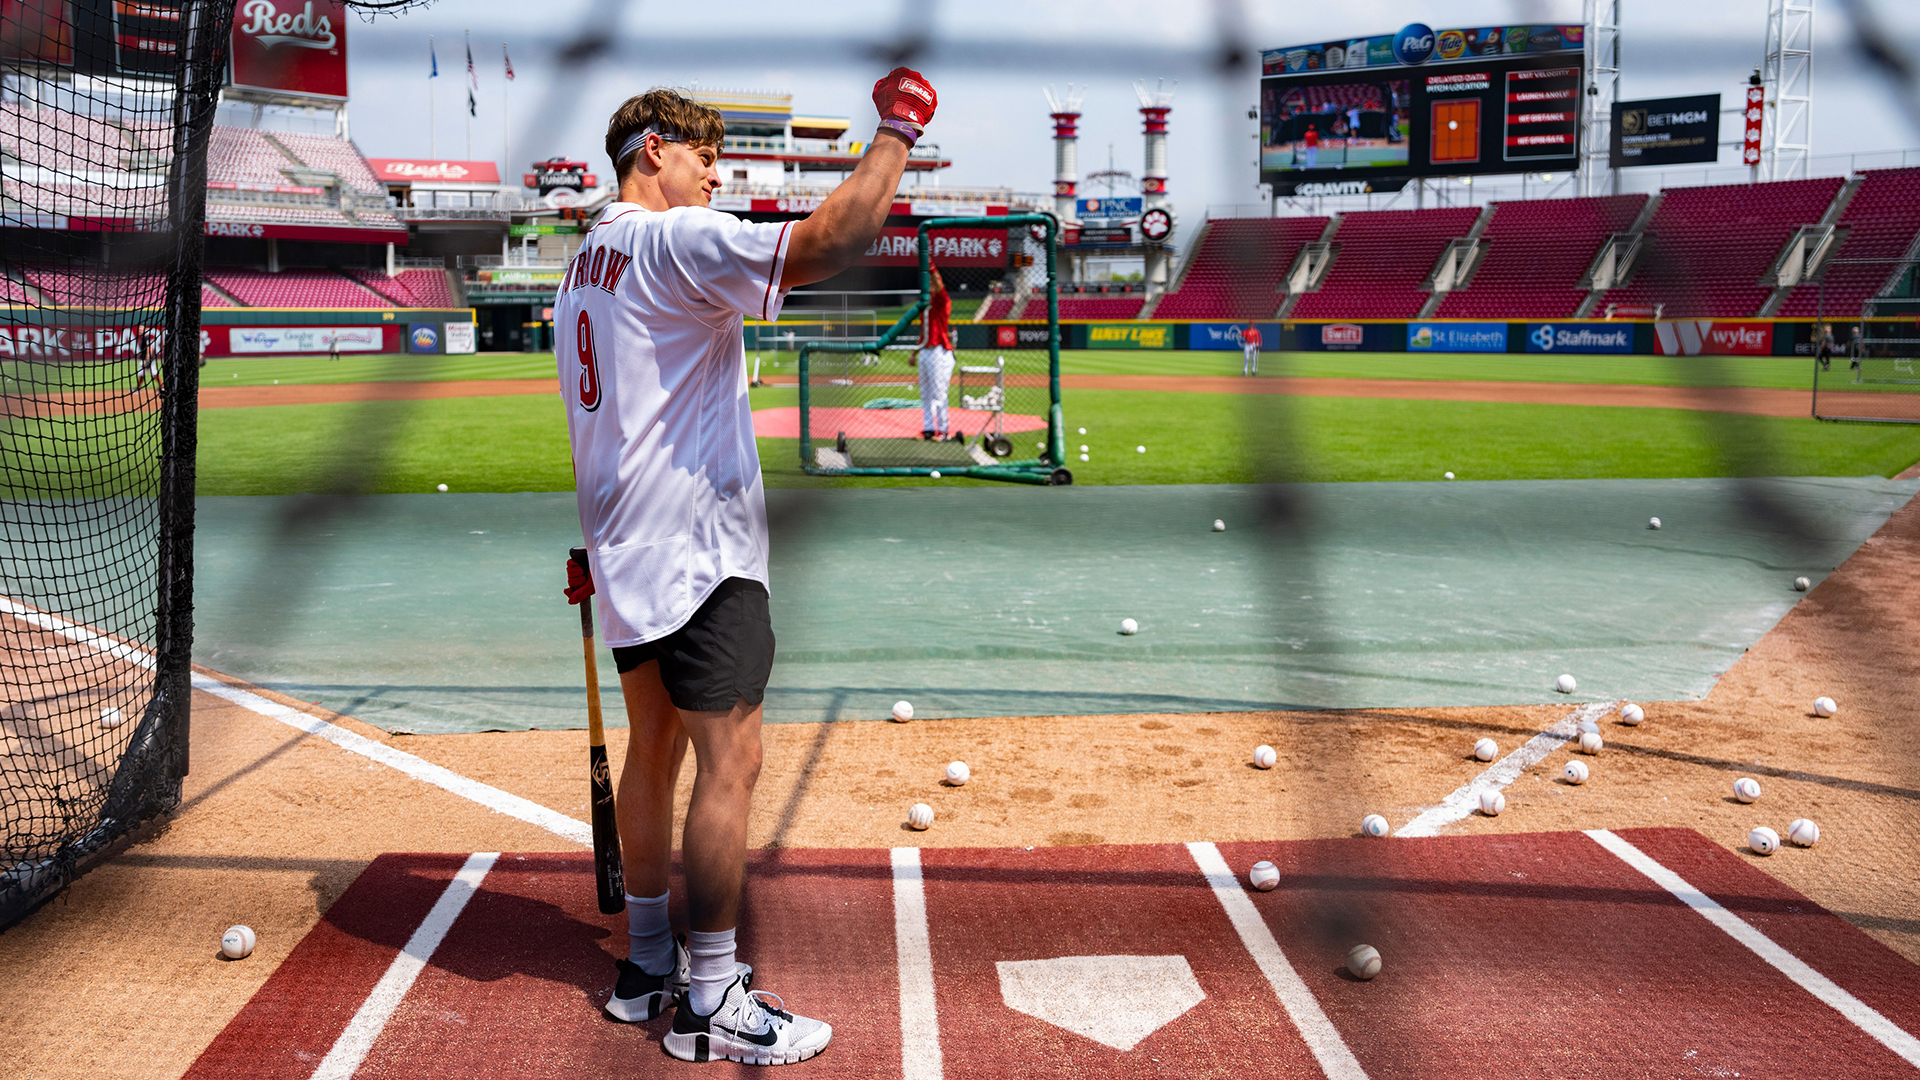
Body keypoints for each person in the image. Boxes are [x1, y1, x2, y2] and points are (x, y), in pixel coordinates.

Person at [556, 69, 937, 1066]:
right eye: (705, 157)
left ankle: (647, 967)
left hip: (624, 543)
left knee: (654, 749)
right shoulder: (673, 239)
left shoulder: (583, 258)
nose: (717, 175)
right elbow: (833, 240)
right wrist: (898, 131)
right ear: (655, 153)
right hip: (698, 551)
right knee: (735, 758)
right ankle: (713, 994)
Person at [918, 265, 955, 440]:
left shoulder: (942, 301)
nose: (929, 288)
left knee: (939, 392)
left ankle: (944, 430)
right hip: (925, 351)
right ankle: (929, 428)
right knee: (925, 392)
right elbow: (922, 332)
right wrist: (914, 353)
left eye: (931, 286)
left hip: (939, 351)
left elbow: (939, 284)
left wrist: (930, 265)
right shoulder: (925, 306)